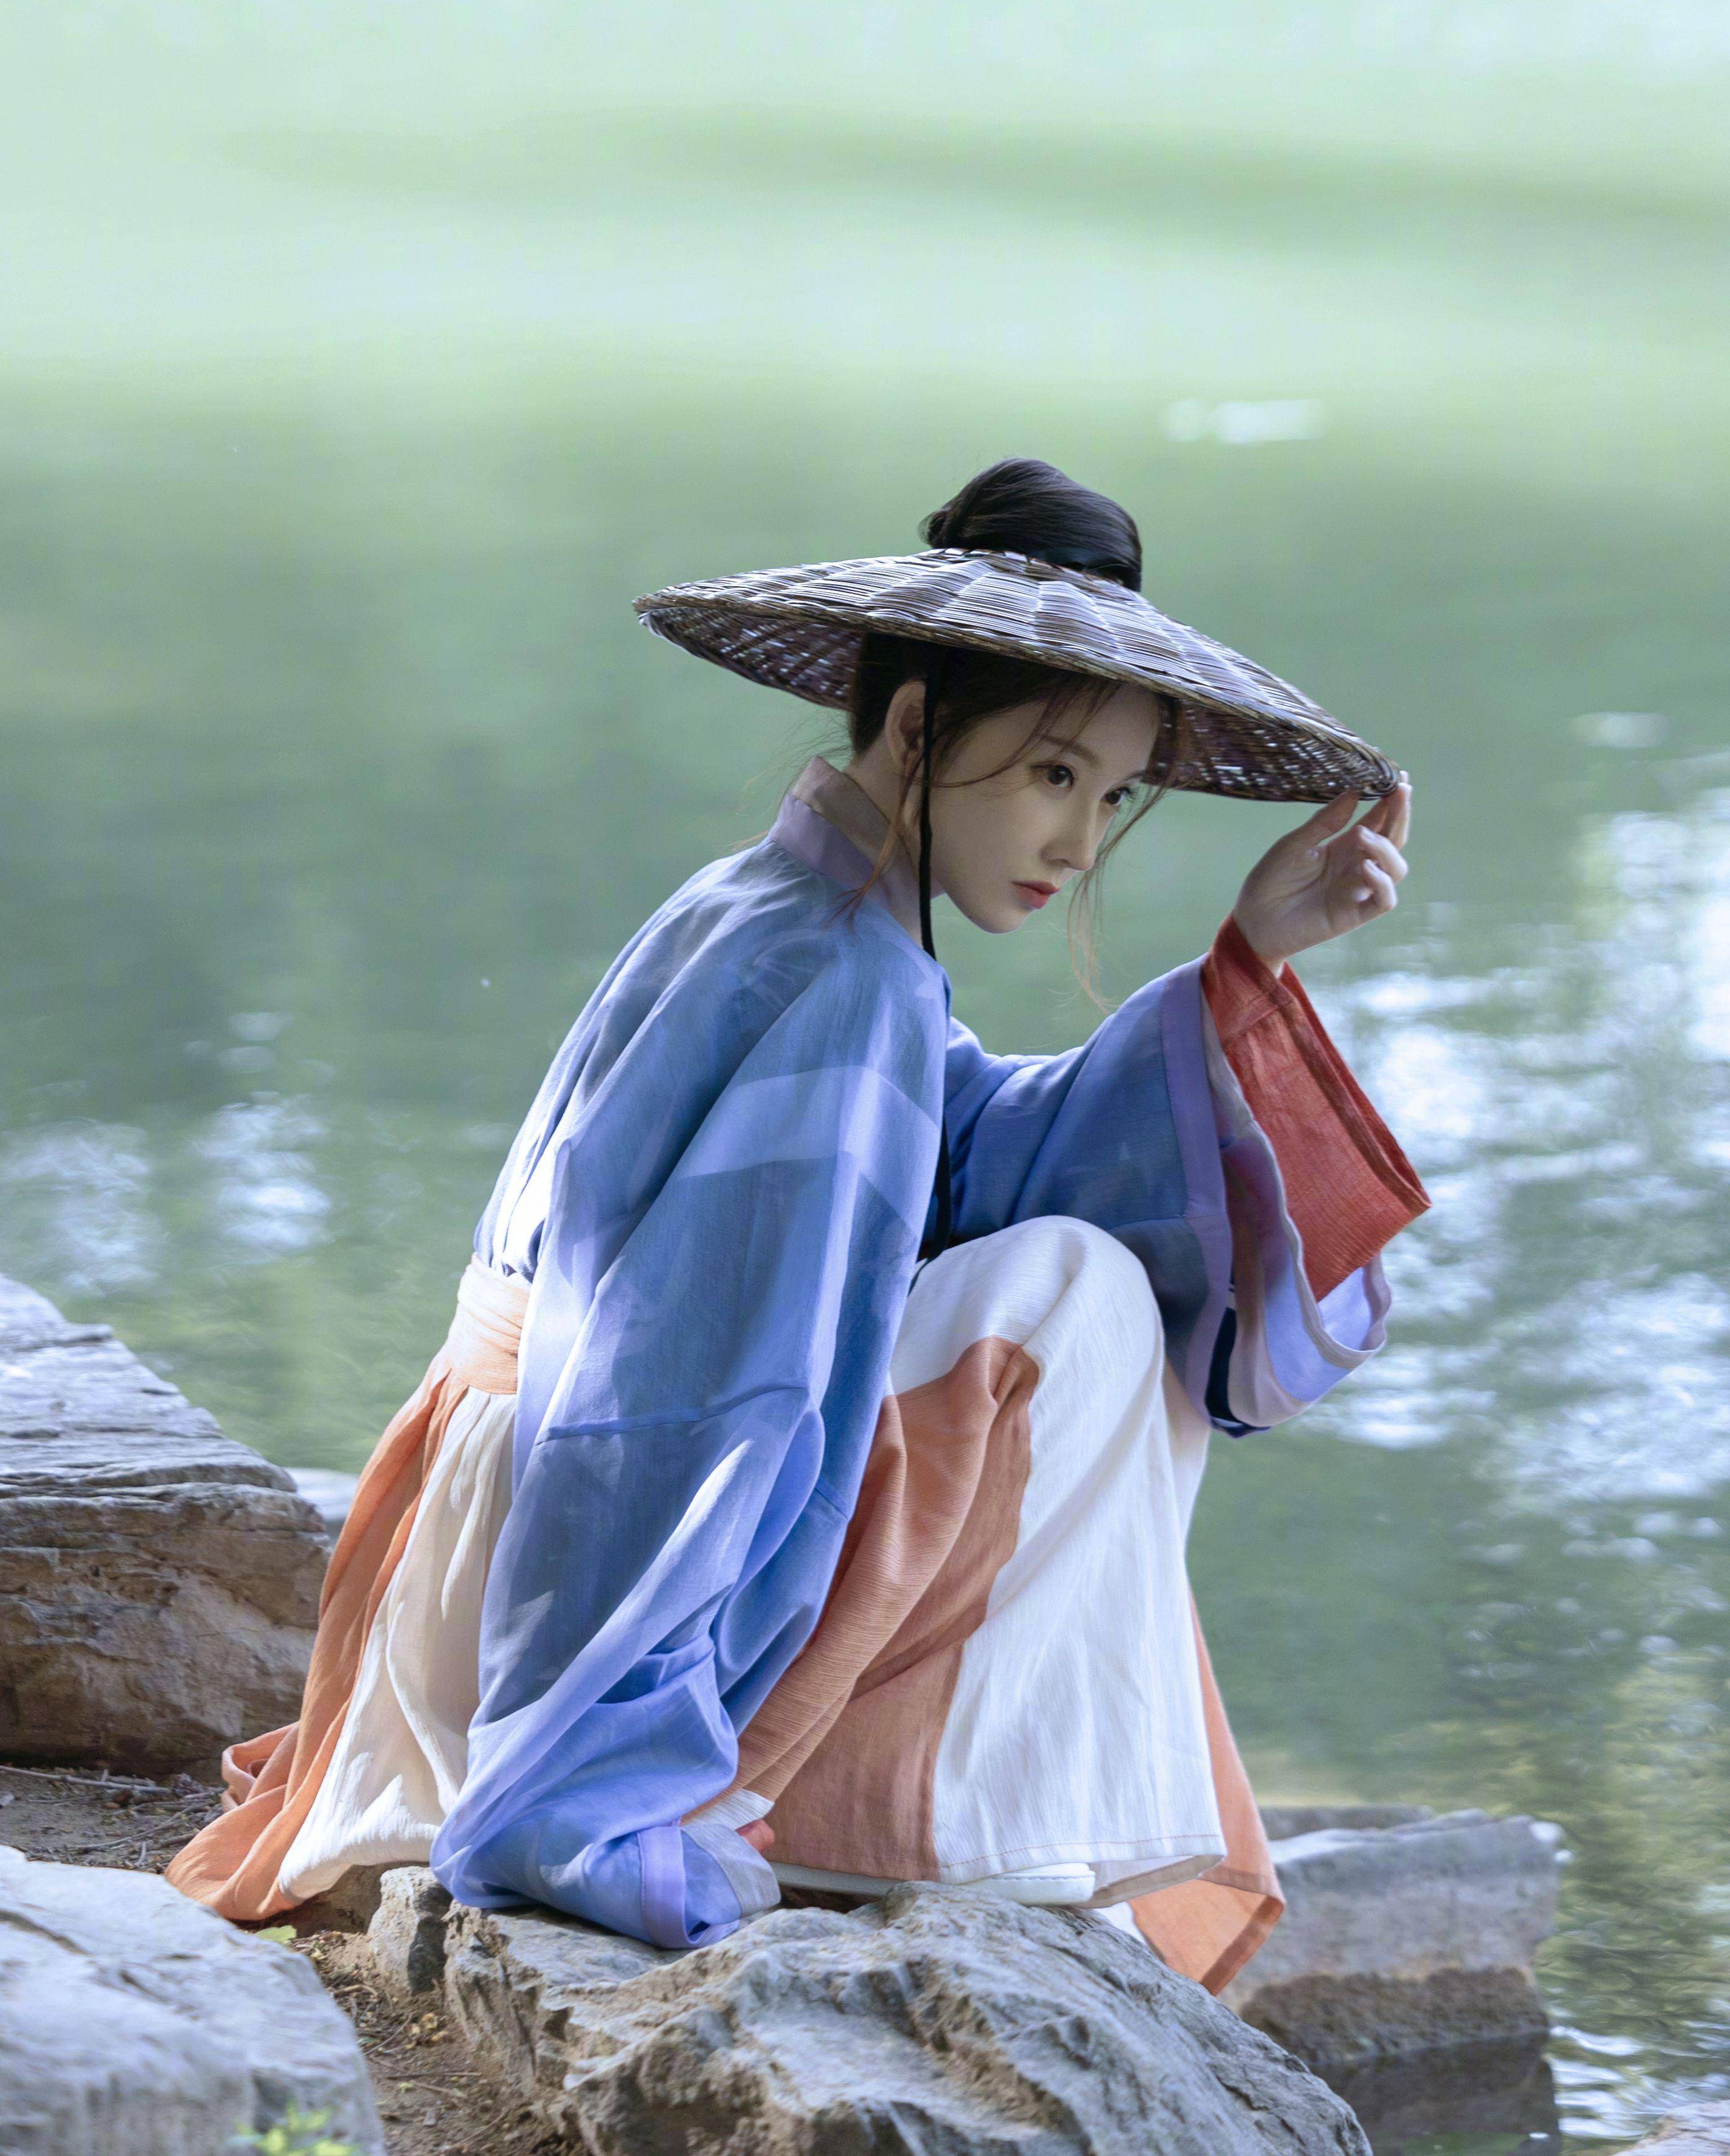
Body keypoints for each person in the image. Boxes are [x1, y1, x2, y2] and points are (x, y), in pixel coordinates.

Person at [168, 459, 1426, 1993]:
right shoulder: (837, 971)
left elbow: (971, 1159)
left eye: (1110, 794)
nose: (1082, 840)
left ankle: (950, 1805)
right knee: (1090, 1295)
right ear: (915, 726)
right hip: (574, 1540)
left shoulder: (794, 912)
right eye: (1048, 773)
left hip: (523, 1498)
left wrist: (1250, 962)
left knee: (1088, 1266)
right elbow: (677, 1395)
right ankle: (928, 1819)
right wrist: (606, 1772)